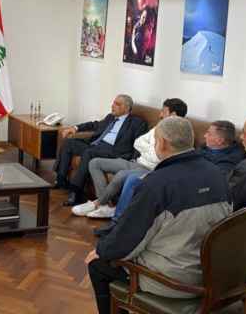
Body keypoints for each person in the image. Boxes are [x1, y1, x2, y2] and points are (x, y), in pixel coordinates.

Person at [86, 117, 231, 314]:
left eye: (155, 141)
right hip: (212, 273)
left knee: (97, 264)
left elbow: (128, 240)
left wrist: (102, 250)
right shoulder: (217, 174)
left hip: (174, 281)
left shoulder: (156, 184)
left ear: (162, 143)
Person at [73, 98, 187, 218]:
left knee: (121, 174)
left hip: (150, 169)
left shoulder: (179, 136)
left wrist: (150, 149)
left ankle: (97, 203)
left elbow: (158, 158)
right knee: (95, 163)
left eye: (163, 111)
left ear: (173, 114)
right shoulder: (159, 127)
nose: (160, 115)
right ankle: (105, 206)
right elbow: (138, 142)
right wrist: (152, 148)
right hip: (136, 162)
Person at [55, 94, 148, 207]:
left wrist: (134, 159)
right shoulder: (110, 117)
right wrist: (75, 128)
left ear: (126, 108)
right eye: (113, 103)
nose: (112, 106)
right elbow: (95, 124)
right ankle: (61, 179)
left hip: (114, 151)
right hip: (96, 145)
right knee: (69, 143)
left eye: (117, 104)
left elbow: (139, 142)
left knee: (89, 153)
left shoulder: (137, 122)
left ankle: (76, 192)